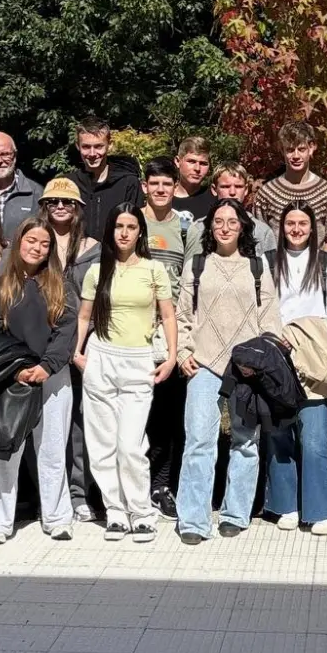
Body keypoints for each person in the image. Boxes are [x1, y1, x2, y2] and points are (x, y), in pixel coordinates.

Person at [175, 199, 284, 543]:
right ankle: (193, 519)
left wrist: (261, 359)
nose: (224, 227)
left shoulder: (258, 267)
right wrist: (181, 352)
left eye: (231, 222)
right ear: (210, 228)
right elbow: (181, 317)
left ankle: (235, 513)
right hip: (203, 363)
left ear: (242, 227)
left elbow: (270, 319)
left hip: (245, 367)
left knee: (246, 442)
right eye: (218, 222)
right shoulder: (196, 266)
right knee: (198, 441)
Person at [0, 216, 80, 543]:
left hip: (53, 377)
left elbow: (66, 332)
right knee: (8, 447)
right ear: (19, 243)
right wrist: (18, 368)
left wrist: (47, 366)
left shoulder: (60, 287)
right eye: (31, 241)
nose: (37, 248)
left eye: (44, 244)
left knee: (51, 449)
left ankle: (58, 517)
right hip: (12, 378)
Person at [74, 204, 175, 542]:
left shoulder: (154, 269)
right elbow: (84, 316)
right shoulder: (96, 271)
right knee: (101, 445)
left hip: (138, 360)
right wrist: (77, 352)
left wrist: (172, 356)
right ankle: (115, 513)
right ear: (110, 230)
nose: (125, 232)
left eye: (132, 226)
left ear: (140, 232)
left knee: (131, 444)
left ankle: (142, 512)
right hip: (101, 357)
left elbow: (168, 316)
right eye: (119, 226)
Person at [265, 201, 327, 536]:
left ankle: (319, 508)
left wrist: (312, 335)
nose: (296, 229)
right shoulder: (268, 263)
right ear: (281, 228)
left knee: (314, 434)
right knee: (279, 431)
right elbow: (262, 305)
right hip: (277, 350)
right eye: (290, 224)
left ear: (314, 229)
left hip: (314, 354)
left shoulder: (326, 263)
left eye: (303, 224)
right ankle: (285, 504)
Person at [40, 177, 101, 523]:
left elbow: (95, 303)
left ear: (77, 209)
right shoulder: (36, 243)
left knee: (79, 422)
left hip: (81, 345)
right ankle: (47, 494)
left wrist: (81, 345)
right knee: (46, 423)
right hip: (42, 346)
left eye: (67, 203)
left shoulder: (92, 249)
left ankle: (78, 493)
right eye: (53, 202)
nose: (60, 208)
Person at [140, 159, 188, 519]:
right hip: (133, 329)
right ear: (144, 186)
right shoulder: (131, 222)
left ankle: (163, 484)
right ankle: (133, 484)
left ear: (175, 187)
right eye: (154, 183)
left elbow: (190, 280)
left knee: (169, 414)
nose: (160, 189)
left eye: (166, 184)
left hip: (170, 330)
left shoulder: (186, 227)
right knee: (134, 414)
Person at [253, 122, 327, 237]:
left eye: (301, 149)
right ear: (282, 150)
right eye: (290, 150)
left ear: (311, 148)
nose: (296, 156)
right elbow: (259, 239)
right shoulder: (267, 194)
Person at [65, 116, 143, 242]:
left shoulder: (128, 183)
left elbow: (135, 227)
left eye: (98, 146)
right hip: (77, 258)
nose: (92, 154)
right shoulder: (68, 184)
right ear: (78, 146)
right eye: (86, 147)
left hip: (115, 258)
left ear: (109, 145)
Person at [183, 163, 277, 262]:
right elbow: (189, 272)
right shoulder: (198, 229)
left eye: (238, 186)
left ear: (246, 190)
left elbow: (271, 274)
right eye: (225, 186)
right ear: (214, 190)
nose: (232, 192)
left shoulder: (262, 232)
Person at [171, 135, 216, 224]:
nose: (197, 168)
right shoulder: (162, 197)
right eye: (191, 162)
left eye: (203, 164)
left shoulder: (214, 200)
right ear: (177, 161)